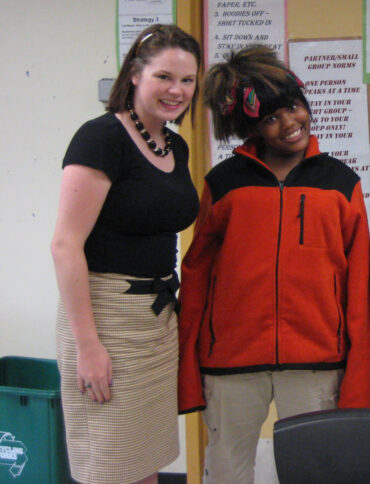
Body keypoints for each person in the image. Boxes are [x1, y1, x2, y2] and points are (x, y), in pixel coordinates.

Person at [177, 45, 370, 483]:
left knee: (314, 473)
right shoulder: (224, 184)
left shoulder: (341, 184)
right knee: (226, 471)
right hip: (230, 361)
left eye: (293, 107)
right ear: (251, 127)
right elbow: (196, 275)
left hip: (316, 361)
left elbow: (359, 285)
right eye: (270, 118)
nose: (289, 123)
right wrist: (188, 365)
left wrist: (358, 374)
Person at [51, 24, 201, 484]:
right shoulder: (101, 138)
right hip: (105, 320)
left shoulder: (175, 145)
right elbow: (65, 245)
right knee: (110, 465)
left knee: (144, 462)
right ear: (135, 75)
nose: (176, 90)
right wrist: (88, 346)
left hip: (156, 321)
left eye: (187, 80)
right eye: (164, 77)